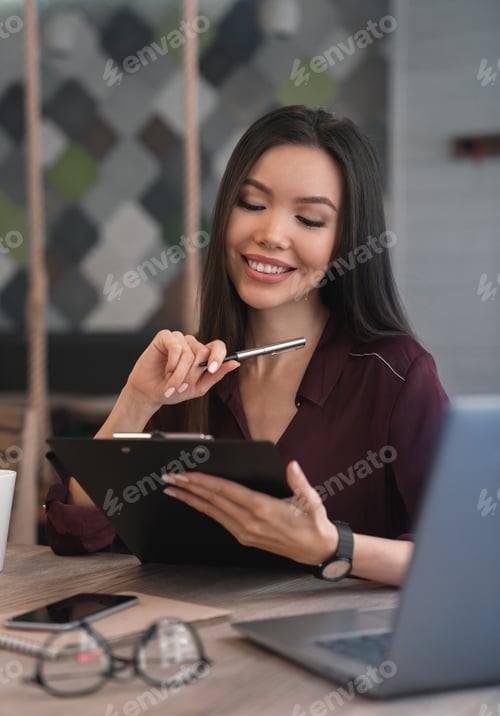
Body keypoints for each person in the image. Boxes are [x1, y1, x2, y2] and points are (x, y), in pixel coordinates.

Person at [45, 105, 448, 586]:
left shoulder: (396, 374)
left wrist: (333, 547)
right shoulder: (189, 377)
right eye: (252, 205)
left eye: (309, 219)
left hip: (337, 656)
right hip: (196, 648)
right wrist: (136, 403)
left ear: (346, 241)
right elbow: (77, 534)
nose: (270, 235)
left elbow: (468, 557)